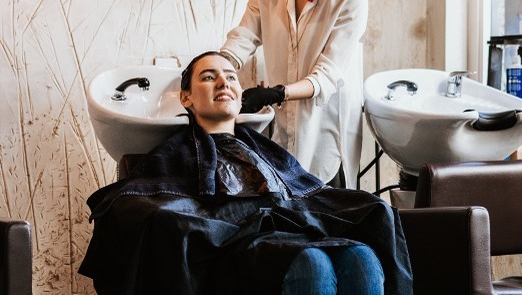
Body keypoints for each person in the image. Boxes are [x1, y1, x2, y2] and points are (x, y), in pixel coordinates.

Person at [78, 51, 412, 294]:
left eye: (231, 76)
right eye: (209, 77)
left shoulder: (264, 150)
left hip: (292, 234)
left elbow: (310, 197)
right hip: (232, 250)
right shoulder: (174, 155)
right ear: (186, 97)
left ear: (240, 96)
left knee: (362, 257)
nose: (223, 81)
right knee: (312, 264)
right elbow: (138, 205)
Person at [220, 0, 367, 188]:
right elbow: (246, 34)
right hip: (281, 122)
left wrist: (277, 93)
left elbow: (327, 74)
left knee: (323, 204)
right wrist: (216, 64)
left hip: (325, 123)